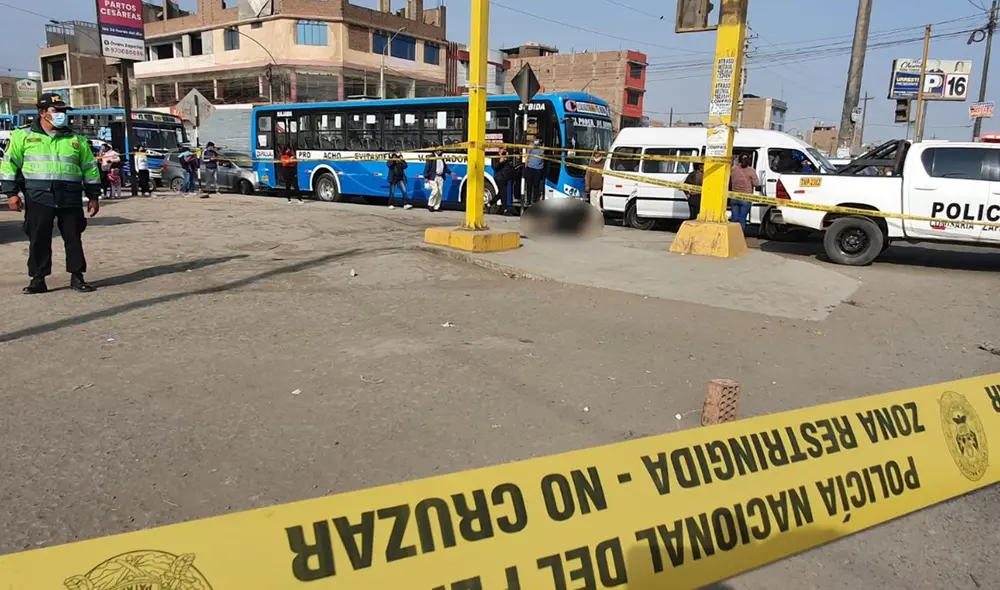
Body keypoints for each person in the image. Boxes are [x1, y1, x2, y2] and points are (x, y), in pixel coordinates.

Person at [1, 92, 100, 294]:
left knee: (73, 238)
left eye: (63, 111)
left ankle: (77, 276)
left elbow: (90, 169)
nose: (60, 115)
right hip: (38, 196)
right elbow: (9, 165)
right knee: (38, 238)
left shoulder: (76, 139)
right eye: (56, 111)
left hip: (70, 196)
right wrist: (11, 193)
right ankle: (38, 279)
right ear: (42, 112)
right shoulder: (23, 135)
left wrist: (93, 196)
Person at [729, 154, 759, 231]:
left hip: (734, 196)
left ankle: (733, 234)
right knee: (742, 219)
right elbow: (756, 183)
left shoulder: (734, 169)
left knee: (734, 218)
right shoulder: (751, 170)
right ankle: (740, 235)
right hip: (746, 197)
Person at [523, 139, 545, 207]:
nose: (537, 141)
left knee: (536, 185)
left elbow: (544, 156)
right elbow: (527, 154)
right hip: (530, 167)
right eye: (536, 139)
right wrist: (526, 162)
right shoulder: (531, 146)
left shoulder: (543, 147)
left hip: (538, 168)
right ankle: (528, 201)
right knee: (529, 185)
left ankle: (535, 201)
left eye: (538, 140)